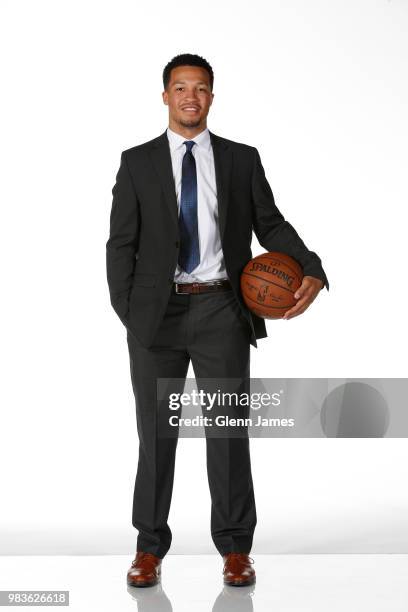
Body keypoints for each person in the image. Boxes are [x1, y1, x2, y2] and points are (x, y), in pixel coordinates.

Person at [106, 53, 329, 588]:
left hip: (221, 311)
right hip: (155, 318)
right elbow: (121, 244)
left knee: (226, 433)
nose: (190, 96)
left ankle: (235, 549)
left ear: (212, 96)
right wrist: (131, 314)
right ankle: (149, 548)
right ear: (165, 96)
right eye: (180, 87)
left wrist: (314, 268)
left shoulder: (239, 160)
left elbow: (270, 225)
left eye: (200, 88)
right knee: (156, 435)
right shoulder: (136, 162)